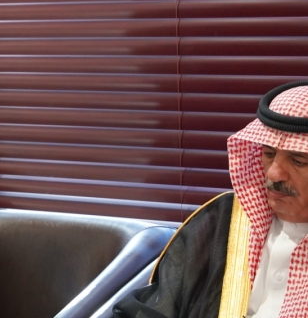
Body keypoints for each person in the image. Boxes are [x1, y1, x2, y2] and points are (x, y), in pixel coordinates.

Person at [113, 80, 308, 318]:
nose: (274, 174)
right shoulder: (221, 222)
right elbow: (157, 307)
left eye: (298, 161)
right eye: (268, 153)